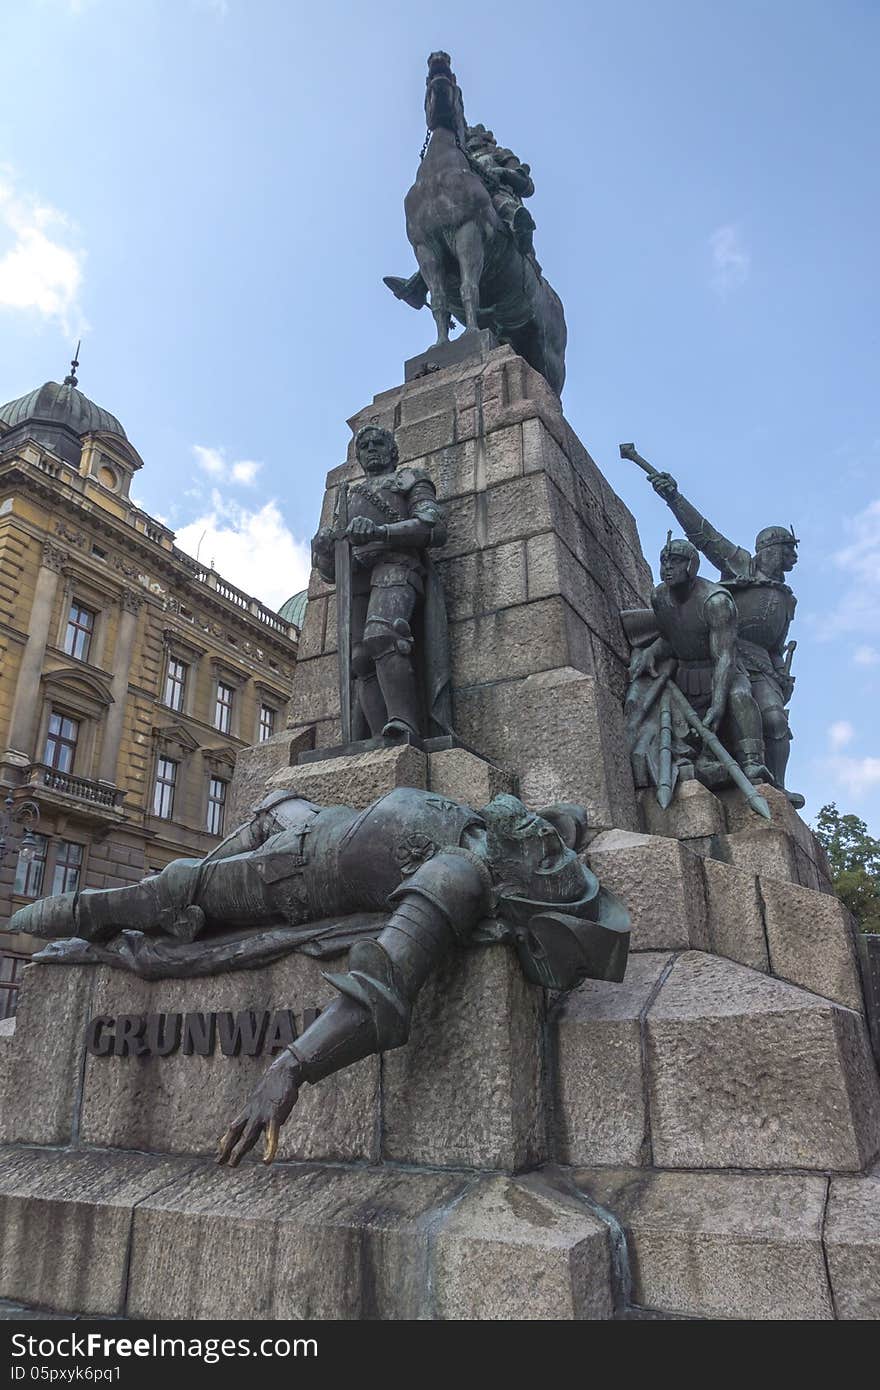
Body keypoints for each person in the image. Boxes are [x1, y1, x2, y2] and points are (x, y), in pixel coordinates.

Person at [7, 785, 630, 1165]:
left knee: (153, 898)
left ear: (515, 883)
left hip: (288, 872)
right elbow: (566, 819)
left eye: (545, 849)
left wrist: (289, 1068)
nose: (543, 833)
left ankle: (83, 914)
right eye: (553, 842)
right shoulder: (508, 831)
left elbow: (380, 988)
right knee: (242, 827)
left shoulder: (458, 877)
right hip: (304, 815)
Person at [646, 468, 800, 802]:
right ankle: (746, 770)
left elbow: (774, 646)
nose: (794, 558)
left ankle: (778, 789)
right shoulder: (740, 564)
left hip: (763, 668)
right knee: (748, 709)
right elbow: (704, 535)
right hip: (726, 653)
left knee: (776, 722)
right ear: (772, 548)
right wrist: (673, 497)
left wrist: (782, 674)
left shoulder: (787, 598)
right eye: (789, 550)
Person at [311, 424, 450, 740]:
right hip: (357, 577)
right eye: (364, 446)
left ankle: (405, 723)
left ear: (392, 451)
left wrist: (380, 532)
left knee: (382, 636)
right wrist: (321, 549)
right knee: (360, 659)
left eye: (377, 443)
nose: (371, 449)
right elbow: (330, 573)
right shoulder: (347, 497)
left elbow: (433, 526)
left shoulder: (409, 479)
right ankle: (378, 737)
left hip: (397, 566)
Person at [627, 535, 770, 787]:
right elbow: (672, 637)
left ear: (692, 565)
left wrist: (717, 705)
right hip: (685, 674)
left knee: (739, 698)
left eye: (676, 561)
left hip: (721, 672)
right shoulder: (659, 597)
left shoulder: (716, 602)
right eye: (664, 561)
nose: (668, 567)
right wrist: (651, 652)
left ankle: (752, 761)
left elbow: (723, 657)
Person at [465, 124, 537, 260]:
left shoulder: (497, 153)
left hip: (497, 194)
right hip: (469, 202)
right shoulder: (459, 161)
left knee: (499, 201)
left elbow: (527, 186)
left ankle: (521, 231)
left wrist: (504, 173)